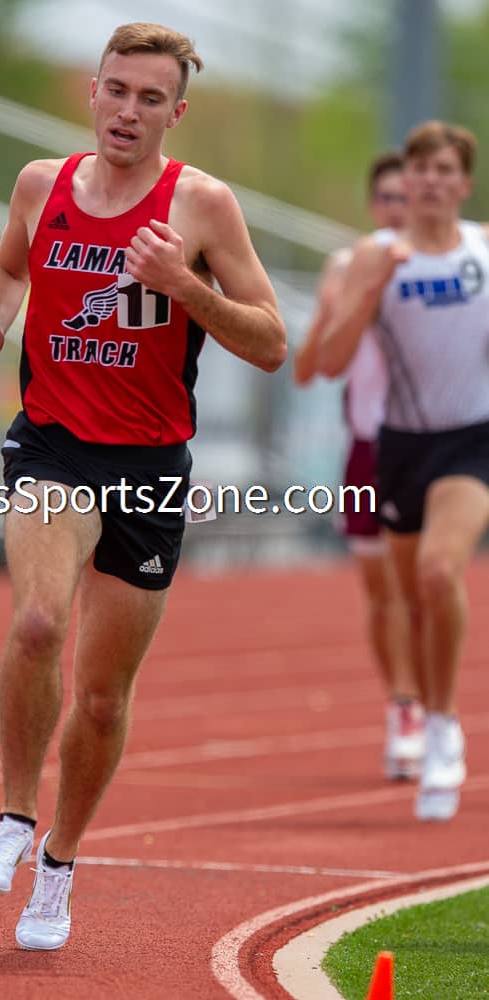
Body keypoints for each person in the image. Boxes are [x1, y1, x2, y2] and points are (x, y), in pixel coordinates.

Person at [0, 22, 286, 950]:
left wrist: (186, 285)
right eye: (116, 90)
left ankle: (58, 863)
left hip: (149, 463)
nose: (128, 111)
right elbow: (6, 268)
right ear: (92, 92)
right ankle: (13, 818)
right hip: (53, 446)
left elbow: (271, 342)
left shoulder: (203, 205)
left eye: (150, 98)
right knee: (37, 623)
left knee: (101, 698)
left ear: (176, 113)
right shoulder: (40, 184)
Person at [318, 120, 489, 821]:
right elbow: (332, 360)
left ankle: (443, 726)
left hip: (472, 441)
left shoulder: (483, 250)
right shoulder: (376, 256)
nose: (430, 181)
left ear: (464, 182)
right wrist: (370, 290)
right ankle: (420, 705)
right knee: (415, 600)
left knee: (439, 573)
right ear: (407, 180)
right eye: (420, 169)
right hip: (400, 447)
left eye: (445, 170)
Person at [294, 152, 424, 782]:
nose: (398, 209)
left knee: (425, 582)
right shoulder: (348, 265)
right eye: (389, 198)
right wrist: (336, 309)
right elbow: (310, 369)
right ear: (374, 205)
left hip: (433, 446)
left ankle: (431, 704)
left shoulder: (454, 263)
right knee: (382, 591)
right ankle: (404, 705)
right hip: (368, 448)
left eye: (409, 197)